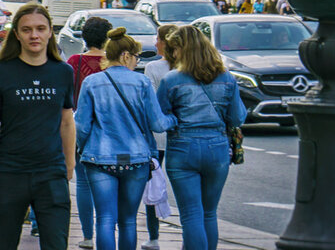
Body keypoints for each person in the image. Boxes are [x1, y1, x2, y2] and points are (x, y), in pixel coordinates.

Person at [0, 2, 76, 250]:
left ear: (51, 31)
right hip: (11, 174)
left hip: (51, 174)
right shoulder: (2, 73)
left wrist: (68, 167)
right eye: (27, 29)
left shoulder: (63, 72)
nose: (34, 35)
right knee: (3, 244)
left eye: (40, 28)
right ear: (16, 34)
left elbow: (67, 122)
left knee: (56, 244)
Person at [75, 28, 176, 250]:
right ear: (126, 55)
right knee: (128, 221)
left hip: (100, 158)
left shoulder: (92, 83)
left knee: (105, 219)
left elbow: (81, 126)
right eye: (136, 57)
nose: (136, 62)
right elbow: (157, 124)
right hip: (136, 158)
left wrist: (84, 148)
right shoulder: (141, 83)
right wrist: (174, 120)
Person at [157, 26, 246, 250]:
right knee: (209, 213)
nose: (173, 55)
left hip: (182, 147)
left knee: (191, 215)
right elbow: (237, 117)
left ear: (183, 50)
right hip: (217, 149)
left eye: (175, 49)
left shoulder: (171, 80)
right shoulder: (226, 78)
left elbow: (159, 119)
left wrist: (174, 121)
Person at [67, 15, 111, 250]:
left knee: (83, 183)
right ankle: (107, 230)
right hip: (110, 130)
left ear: (84, 37)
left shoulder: (75, 61)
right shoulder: (113, 62)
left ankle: (87, 236)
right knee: (108, 182)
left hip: (81, 126)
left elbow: (67, 95)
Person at [142, 24, 178, 250]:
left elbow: (151, 103)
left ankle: (153, 237)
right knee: (186, 189)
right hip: (182, 137)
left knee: (153, 185)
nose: (155, 43)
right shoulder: (189, 67)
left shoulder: (153, 67)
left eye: (157, 38)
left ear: (166, 42)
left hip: (158, 136)